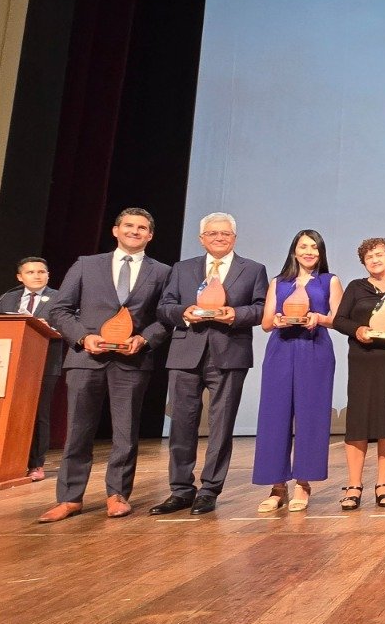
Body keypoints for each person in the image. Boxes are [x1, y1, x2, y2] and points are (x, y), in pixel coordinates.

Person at [38, 208, 172, 523]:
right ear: (115, 230)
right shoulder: (87, 265)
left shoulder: (163, 272)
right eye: (129, 226)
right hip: (86, 359)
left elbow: (166, 317)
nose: (135, 231)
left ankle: (117, 495)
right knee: (77, 431)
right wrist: (84, 338)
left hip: (132, 360)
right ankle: (70, 498)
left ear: (150, 235)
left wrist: (144, 339)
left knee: (125, 432)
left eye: (142, 228)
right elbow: (60, 310)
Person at [152, 213, 268, 515]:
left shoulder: (253, 270)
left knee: (221, 425)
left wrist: (234, 314)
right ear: (202, 238)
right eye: (213, 233)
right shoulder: (182, 268)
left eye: (226, 233)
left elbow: (261, 310)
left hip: (229, 353)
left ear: (234, 238)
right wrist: (185, 311)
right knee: (181, 424)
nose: (219, 237)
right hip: (185, 352)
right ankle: (180, 490)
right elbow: (164, 308)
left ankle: (209, 490)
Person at [252, 229, 342, 512]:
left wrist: (319, 317)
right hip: (281, 349)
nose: (309, 252)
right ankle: (277, 486)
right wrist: (277, 320)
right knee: (274, 416)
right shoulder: (279, 282)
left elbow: (338, 320)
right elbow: (266, 323)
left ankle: (303, 483)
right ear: (294, 251)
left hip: (315, 349)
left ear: (321, 252)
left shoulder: (330, 280)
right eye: (304, 246)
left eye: (314, 247)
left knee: (311, 416)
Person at [331, 237, 385, 510]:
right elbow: (339, 320)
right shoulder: (356, 287)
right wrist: (357, 331)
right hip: (362, 358)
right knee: (358, 419)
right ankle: (354, 485)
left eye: (380, 255)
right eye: (369, 257)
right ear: (364, 263)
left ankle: (383, 483)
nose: (375, 260)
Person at [0, 256, 62, 482]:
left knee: (38, 413)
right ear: (20, 277)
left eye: (41, 272)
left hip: (44, 363)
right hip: (8, 364)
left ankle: (36, 463)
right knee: (5, 411)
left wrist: (52, 326)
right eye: (30, 272)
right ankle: (4, 461)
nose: (37, 276)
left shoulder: (59, 298)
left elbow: (72, 324)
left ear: (48, 275)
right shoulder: (7, 299)